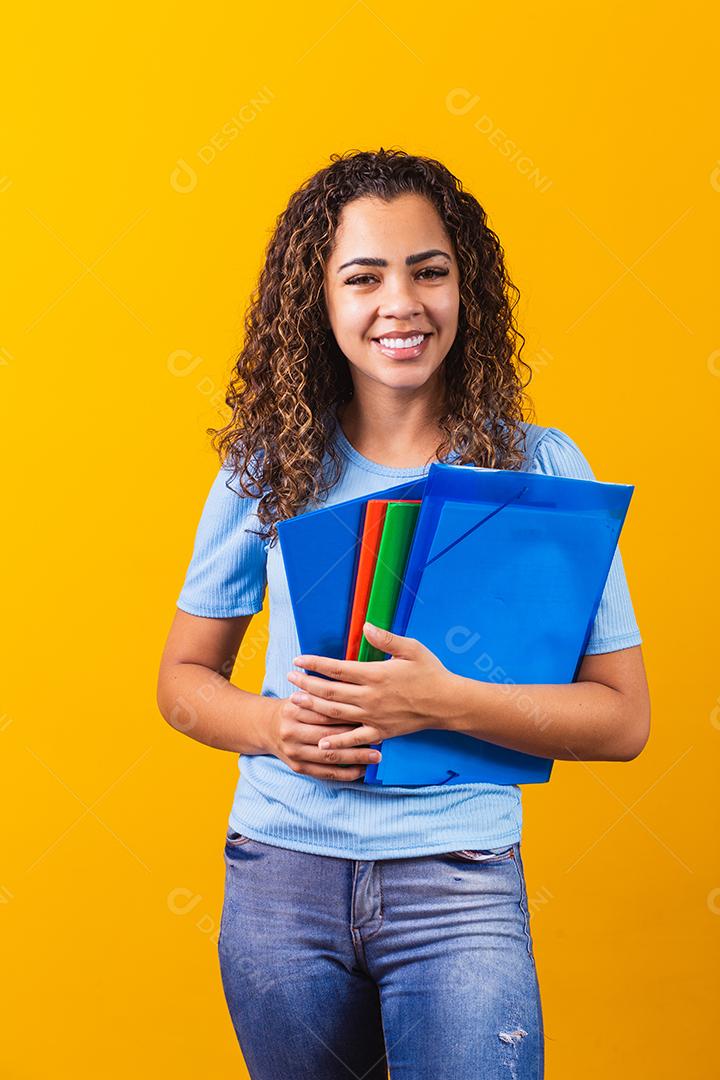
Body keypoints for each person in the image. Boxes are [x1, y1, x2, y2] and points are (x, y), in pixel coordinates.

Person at [157, 148, 650, 1079]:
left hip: (458, 880)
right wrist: (272, 726)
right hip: (279, 885)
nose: (402, 303)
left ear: (468, 288)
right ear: (321, 302)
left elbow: (624, 719)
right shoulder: (264, 467)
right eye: (364, 277)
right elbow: (181, 683)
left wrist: (438, 703)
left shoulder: (539, 469)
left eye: (430, 271)